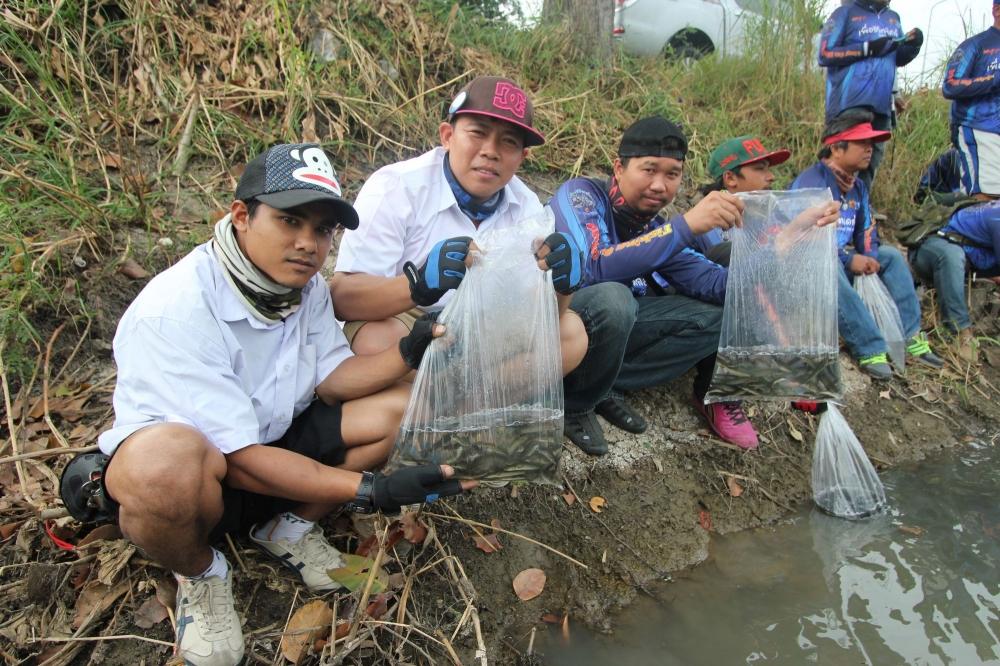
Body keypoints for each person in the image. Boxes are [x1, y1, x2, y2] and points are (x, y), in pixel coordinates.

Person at [94, 144, 471, 666]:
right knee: (162, 469)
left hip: (272, 444)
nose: (307, 244)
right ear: (242, 216)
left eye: (321, 230)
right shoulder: (177, 310)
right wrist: (373, 490)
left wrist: (411, 349)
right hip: (207, 479)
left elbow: (336, 380)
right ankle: (202, 572)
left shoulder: (304, 289)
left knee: (398, 407)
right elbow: (241, 460)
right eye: (289, 220)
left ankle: (287, 528)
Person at [330, 75, 635, 456]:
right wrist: (417, 285)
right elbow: (343, 298)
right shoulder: (395, 188)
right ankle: (467, 413)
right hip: (408, 322)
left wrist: (561, 290)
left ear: (523, 157)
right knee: (376, 337)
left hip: (478, 334)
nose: (490, 151)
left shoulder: (528, 210)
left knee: (570, 333)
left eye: (508, 142)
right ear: (447, 135)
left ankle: (434, 410)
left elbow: (538, 321)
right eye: (477, 132)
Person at [550, 116, 765, 450]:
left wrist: (785, 248)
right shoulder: (581, 195)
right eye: (649, 170)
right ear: (619, 168)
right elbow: (592, 267)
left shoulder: (655, 229)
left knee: (724, 310)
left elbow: (713, 283)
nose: (660, 185)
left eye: (672, 175)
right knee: (614, 298)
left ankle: (605, 384)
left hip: (617, 333)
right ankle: (575, 399)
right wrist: (684, 228)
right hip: (561, 326)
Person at [791, 113, 944, 379]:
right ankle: (868, 347)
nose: (869, 149)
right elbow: (807, 238)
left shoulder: (857, 186)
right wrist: (848, 259)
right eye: (862, 143)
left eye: (871, 144)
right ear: (837, 148)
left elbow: (866, 229)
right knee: (829, 266)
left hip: (841, 257)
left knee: (892, 257)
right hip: (809, 261)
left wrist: (869, 255)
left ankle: (910, 335)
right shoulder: (812, 183)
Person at [818, 0, 923, 189]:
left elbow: (895, 58)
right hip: (848, 103)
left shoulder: (893, 18)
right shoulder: (844, 13)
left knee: (869, 163)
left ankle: (860, 210)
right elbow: (825, 54)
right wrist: (867, 48)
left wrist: (914, 46)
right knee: (841, 161)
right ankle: (828, 206)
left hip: (882, 105)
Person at [909, 198, 1000, 362]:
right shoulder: (997, 216)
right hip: (932, 248)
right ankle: (961, 333)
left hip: (971, 255)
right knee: (951, 255)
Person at [698, 136, 793, 265]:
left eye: (768, 169)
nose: (771, 177)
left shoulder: (774, 215)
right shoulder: (706, 230)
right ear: (730, 178)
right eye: (760, 168)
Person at [942, 0, 1000, 199]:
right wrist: (994, 79)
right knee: (984, 196)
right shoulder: (976, 45)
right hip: (980, 128)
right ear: (997, 10)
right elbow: (950, 85)